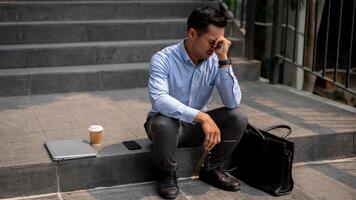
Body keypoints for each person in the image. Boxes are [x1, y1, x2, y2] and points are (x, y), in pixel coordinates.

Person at [144, 5, 248, 199]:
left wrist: (224, 59)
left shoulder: (215, 59)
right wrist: (201, 116)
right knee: (163, 122)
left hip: (196, 128)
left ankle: (212, 168)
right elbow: (159, 100)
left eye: (220, 42)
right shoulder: (163, 59)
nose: (216, 47)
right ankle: (167, 174)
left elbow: (232, 101)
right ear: (192, 33)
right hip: (169, 126)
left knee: (238, 116)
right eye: (212, 41)